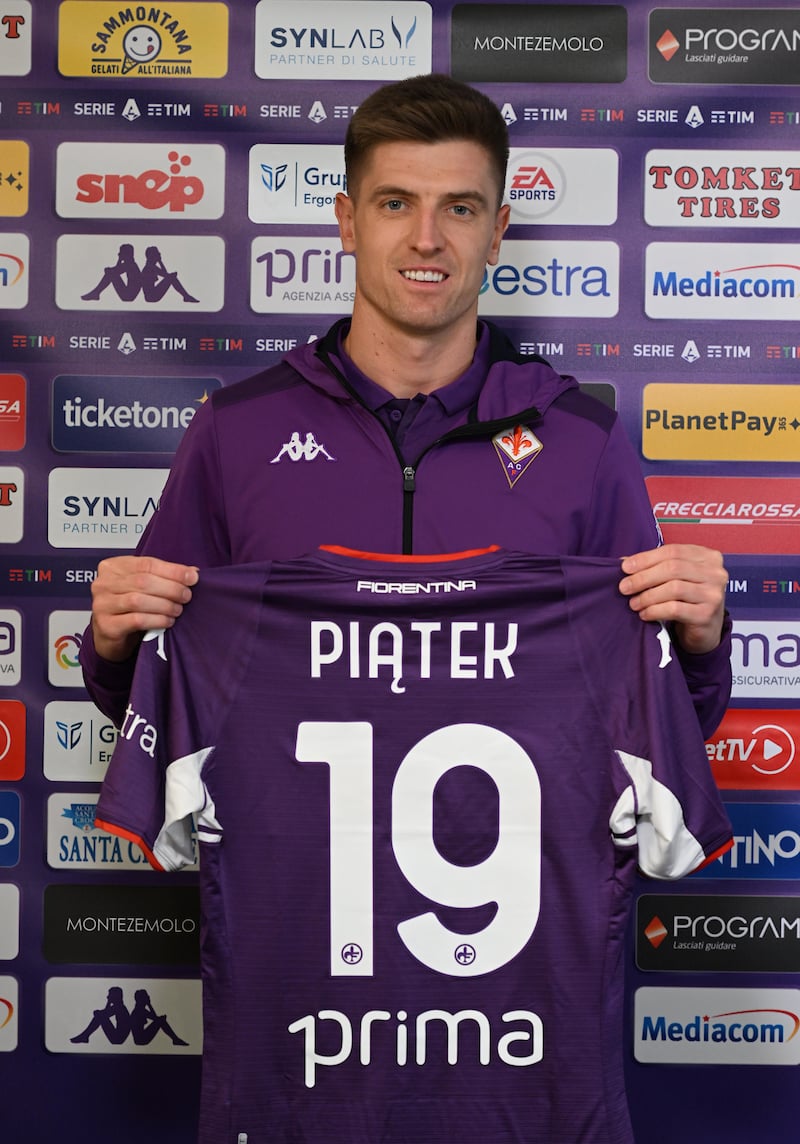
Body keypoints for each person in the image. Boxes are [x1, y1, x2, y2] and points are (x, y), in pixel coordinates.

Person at [80, 72, 731, 735]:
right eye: (395, 204)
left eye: (460, 207)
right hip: (284, 837)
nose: (427, 239)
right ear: (347, 222)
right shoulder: (236, 431)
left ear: (497, 231)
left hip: (516, 840)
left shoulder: (580, 440)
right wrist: (114, 642)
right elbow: (148, 700)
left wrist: (700, 644)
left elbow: (663, 720)